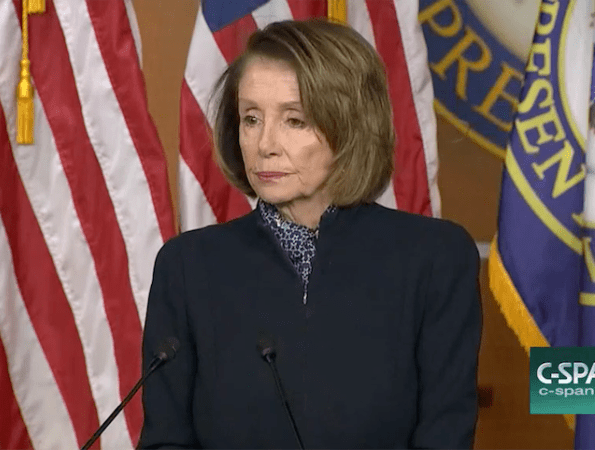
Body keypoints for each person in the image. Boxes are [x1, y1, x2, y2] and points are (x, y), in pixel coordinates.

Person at [139, 19, 481, 449]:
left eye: (294, 120)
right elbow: (165, 439)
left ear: (351, 126)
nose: (265, 144)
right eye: (251, 118)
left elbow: (445, 435)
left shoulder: (435, 259)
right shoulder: (188, 266)